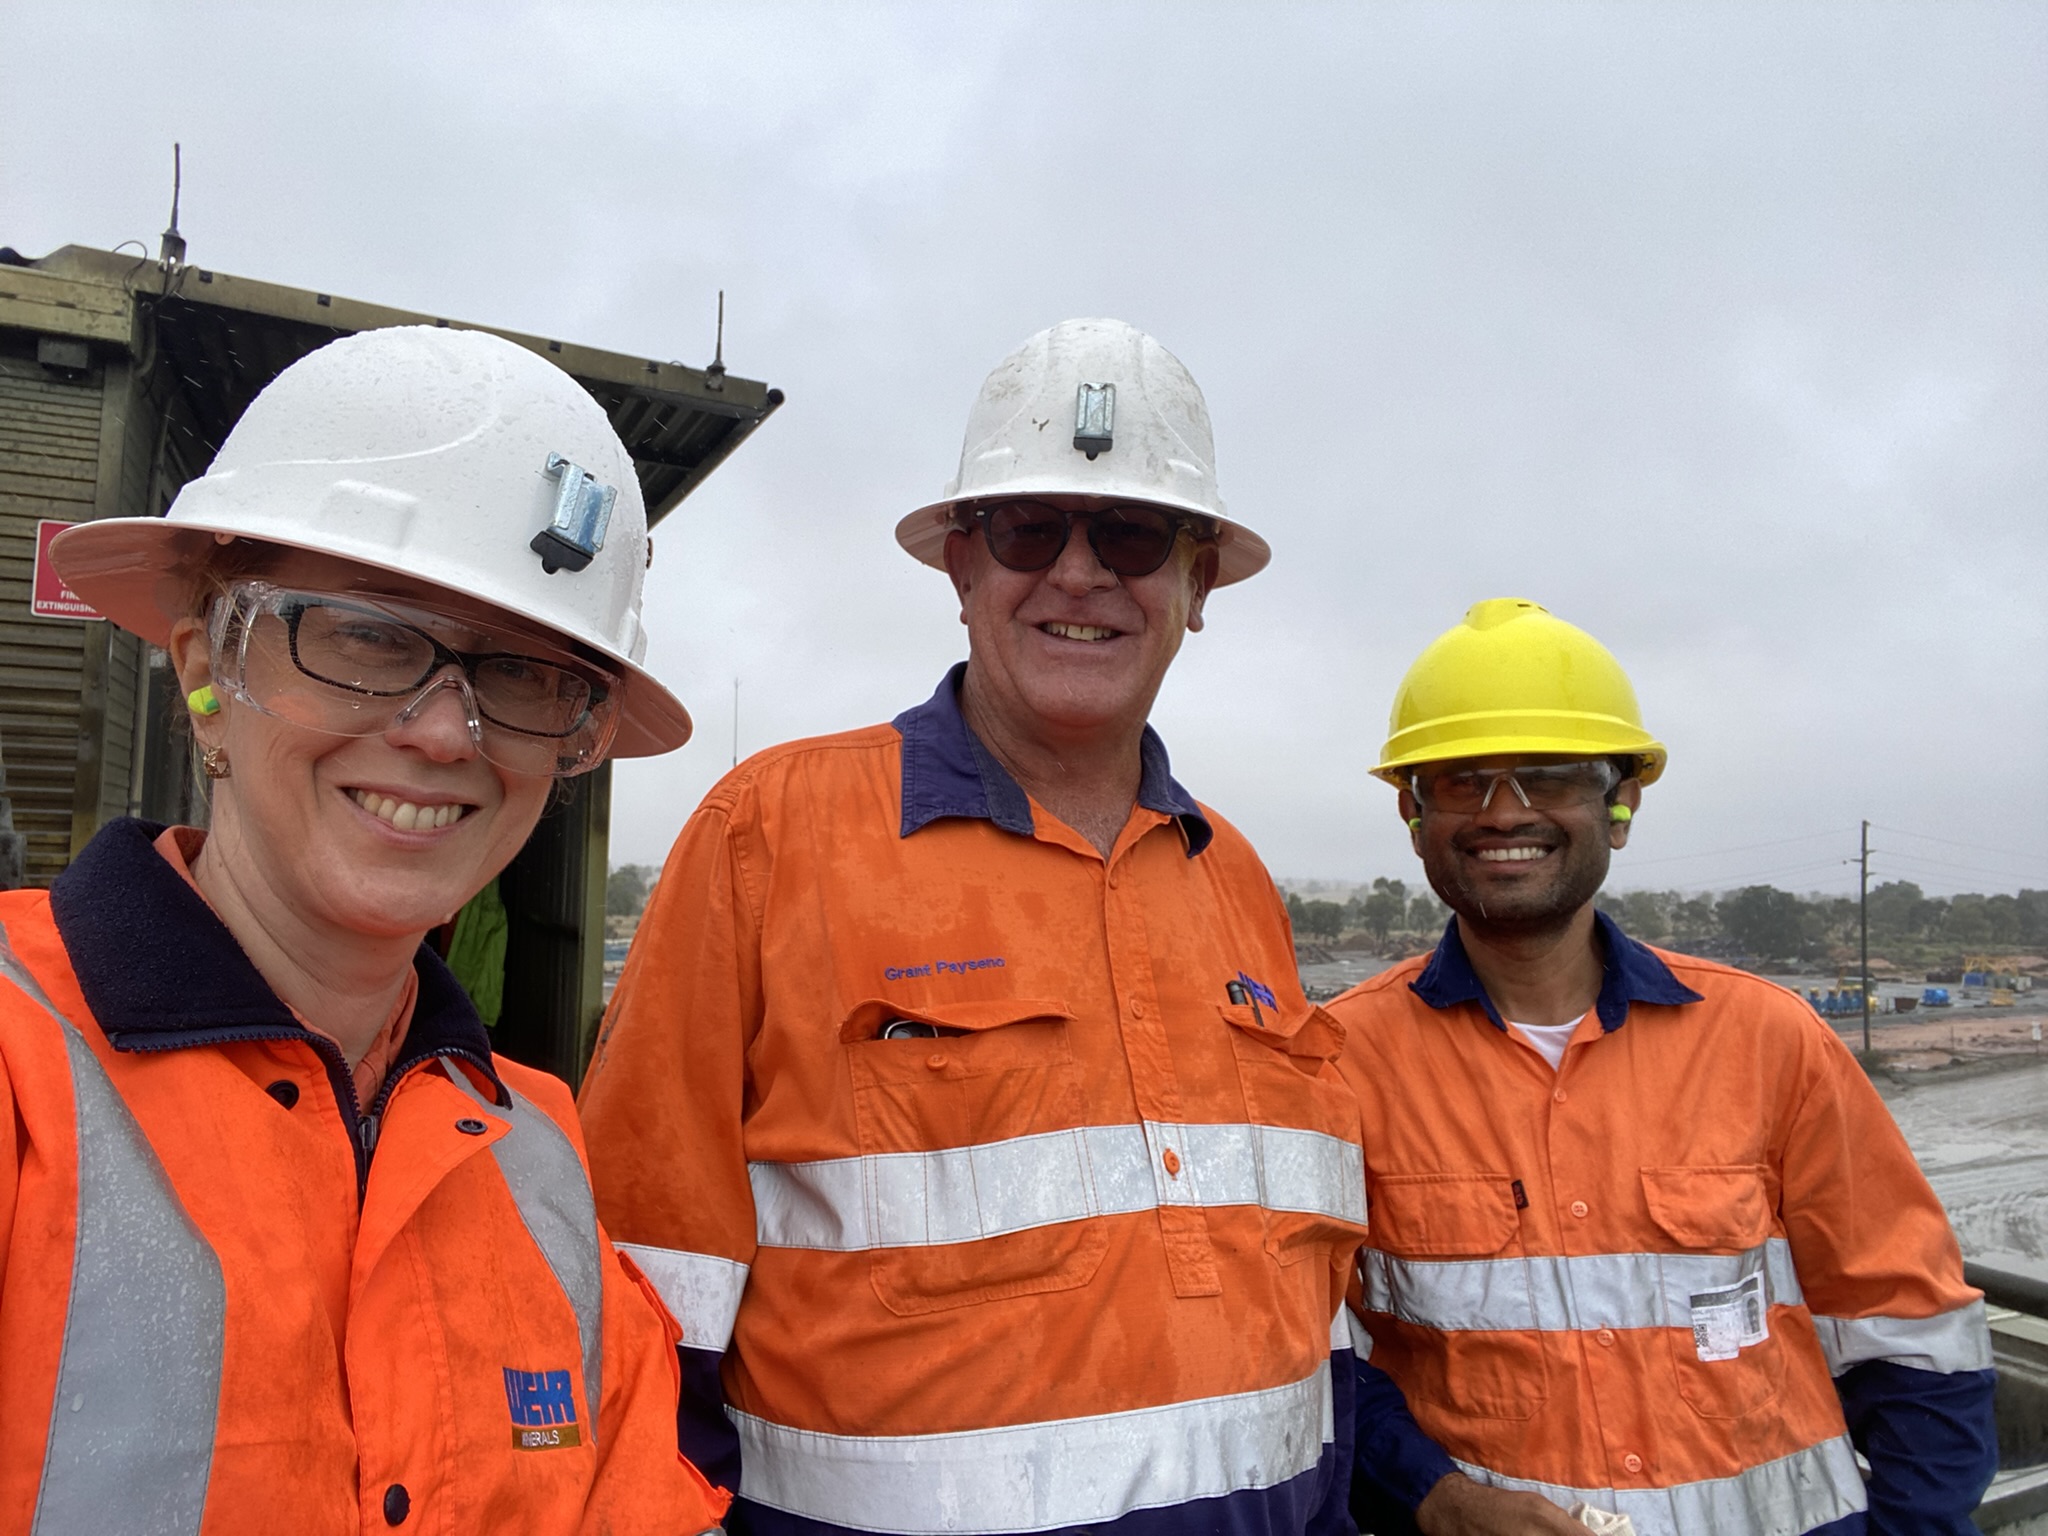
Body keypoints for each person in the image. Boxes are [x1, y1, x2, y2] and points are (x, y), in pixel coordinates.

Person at [579, 318, 1371, 1535]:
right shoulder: (768, 834)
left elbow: (1305, 1300)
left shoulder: (1236, 877)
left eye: (1129, 534)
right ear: (958, 565)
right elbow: (638, 1303)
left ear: (1196, 582)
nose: (1077, 573)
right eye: (1024, 529)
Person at [0, 327, 728, 1533]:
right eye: (369, 636)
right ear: (203, 672)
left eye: (521, 674)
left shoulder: (535, 1148)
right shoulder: (24, 1077)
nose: (446, 735)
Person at [1331, 599, 1997, 1536]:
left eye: (1551, 777)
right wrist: (1437, 1499)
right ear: (1412, 813)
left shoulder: (1769, 1039)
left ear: (1621, 803)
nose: (1505, 812)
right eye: (1461, 780)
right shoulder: (1339, 1066)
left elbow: (1910, 1327)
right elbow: (1317, 1354)